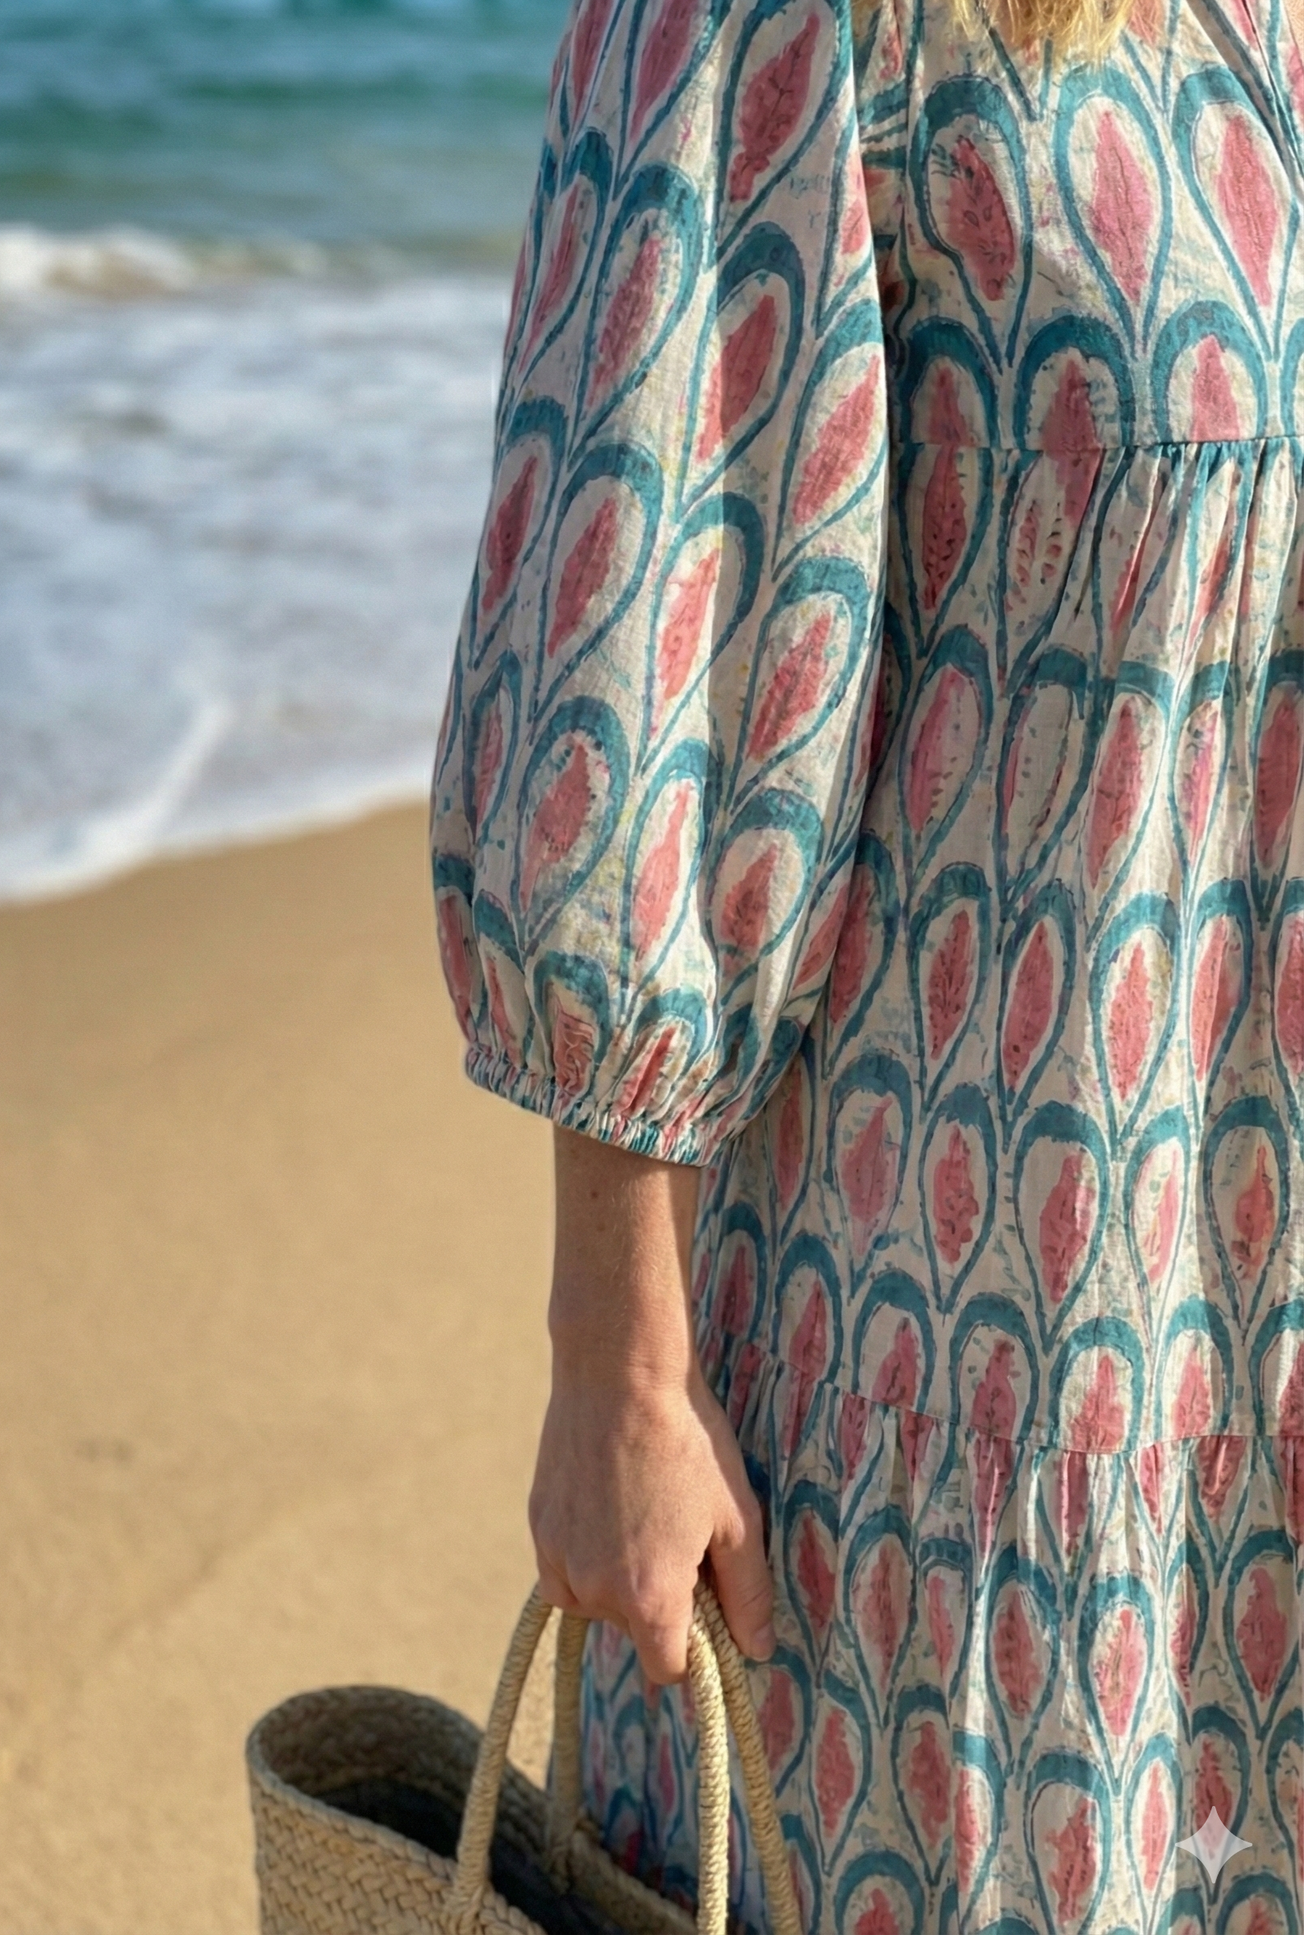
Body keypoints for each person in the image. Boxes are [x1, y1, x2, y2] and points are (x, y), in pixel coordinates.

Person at [428, 0, 1304, 1916]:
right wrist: (616, 1369)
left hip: (1252, 1372)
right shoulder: (809, 25)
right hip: (951, 1405)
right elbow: (645, 646)